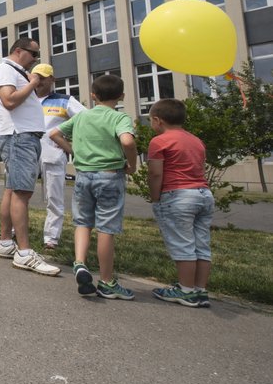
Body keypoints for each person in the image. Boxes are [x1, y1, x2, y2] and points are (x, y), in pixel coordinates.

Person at [50, 74, 138, 299]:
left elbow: (54, 133)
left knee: (83, 222)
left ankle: (80, 263)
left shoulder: (81, 117)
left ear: (93, 95)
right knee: (106, 228)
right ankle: (107, 281)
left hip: (83, 176)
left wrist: (73, 151)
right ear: (122, 96)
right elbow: (127, 141)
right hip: (110, 176)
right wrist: (132, 164)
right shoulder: (119, 118)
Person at [0, 38, 61, 276]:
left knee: (12, 189)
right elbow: (9, 101)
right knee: (22, 192)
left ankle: (6, 243)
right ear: (18, 51)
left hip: (21, 136)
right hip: (19, 136)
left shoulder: (14, 71)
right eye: (33, 54)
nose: (35, 60)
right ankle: (24, 252)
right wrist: (31, 83)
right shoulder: (5, 70)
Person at [146, 98, 214, 308]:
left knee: (183, 244)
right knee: (201, 244)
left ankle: (185, 290)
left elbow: (156, 173)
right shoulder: (195, 140)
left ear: (158, 120)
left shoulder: (159, 141)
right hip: (203, 194)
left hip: (178, 196)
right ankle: (199, 290)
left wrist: (155, 197)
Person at [33, 64, 86, 249]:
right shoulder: (26, 99)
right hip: (27, 151)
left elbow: (86, 119)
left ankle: (51, 238)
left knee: (54, 197)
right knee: (19, 194)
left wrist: (68, 142)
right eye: (35, 77)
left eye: (42, 78)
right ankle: (14, 230)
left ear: (52, 80)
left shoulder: (65, 100)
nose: (38, 81)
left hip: (52, 152)